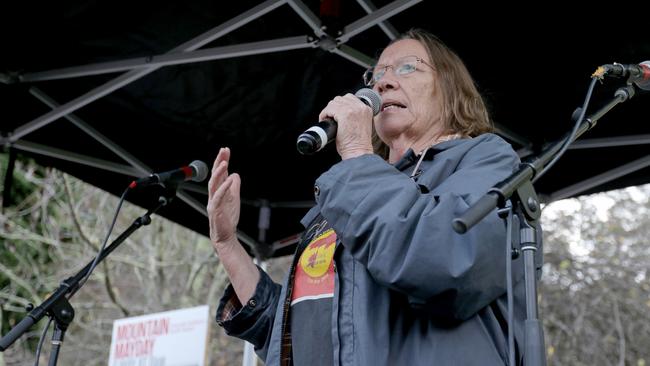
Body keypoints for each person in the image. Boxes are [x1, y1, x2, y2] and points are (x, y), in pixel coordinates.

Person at [208, 28, 535, 365]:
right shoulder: (353, 189)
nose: (382, 83)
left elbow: (446, 262)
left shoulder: (485, 159)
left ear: (450, 88)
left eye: (408, 67)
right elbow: (298, 328)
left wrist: (355, 152)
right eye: (375, 74)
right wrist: (228, 244)